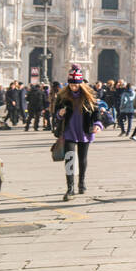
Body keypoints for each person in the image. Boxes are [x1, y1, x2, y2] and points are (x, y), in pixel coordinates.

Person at [51, 65, 104, 201]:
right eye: (71, 84)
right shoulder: (62, 96)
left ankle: (82, 182)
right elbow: (55, 113)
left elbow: (96, 113)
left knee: (82, 158)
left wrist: (97, 124)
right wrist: (59, 114)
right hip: (69, 131)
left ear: (81, 84)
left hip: (85, 131)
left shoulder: (89, 96)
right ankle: (70, 188)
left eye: (76, 85)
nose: (73, 87)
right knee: (69, 158)